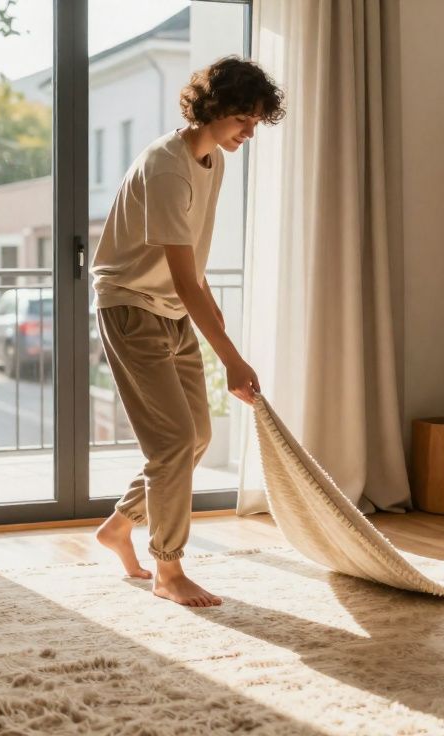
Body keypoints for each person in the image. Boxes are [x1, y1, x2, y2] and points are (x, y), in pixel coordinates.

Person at [91, 56, 285, 607]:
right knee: (173, 441)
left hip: (173, 309)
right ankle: (168, 570)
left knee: (195, 435)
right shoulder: (168, 165)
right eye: (244, 119)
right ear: (214, 109)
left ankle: (118, 526)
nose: (249, 132)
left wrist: (213, 313)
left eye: (255, 121)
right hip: (131, 309)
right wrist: (233, 359)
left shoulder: (211, 161)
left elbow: (191, 261)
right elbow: (179, 272)